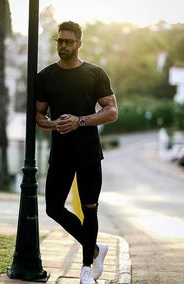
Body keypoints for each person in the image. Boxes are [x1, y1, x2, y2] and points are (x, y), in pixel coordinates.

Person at [36, 21, 118, 284]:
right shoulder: (46, 76)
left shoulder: (95, 74)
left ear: (79, 43)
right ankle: (95, 248)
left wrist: (79, 121)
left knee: (89, 209)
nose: (63, 45)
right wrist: (52, 124)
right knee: (53, 208)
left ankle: (85, 269)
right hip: (60, 152)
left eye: (68, 41)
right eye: (59, 41)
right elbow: (38, 114)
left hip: (89, 153)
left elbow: (112, 111)